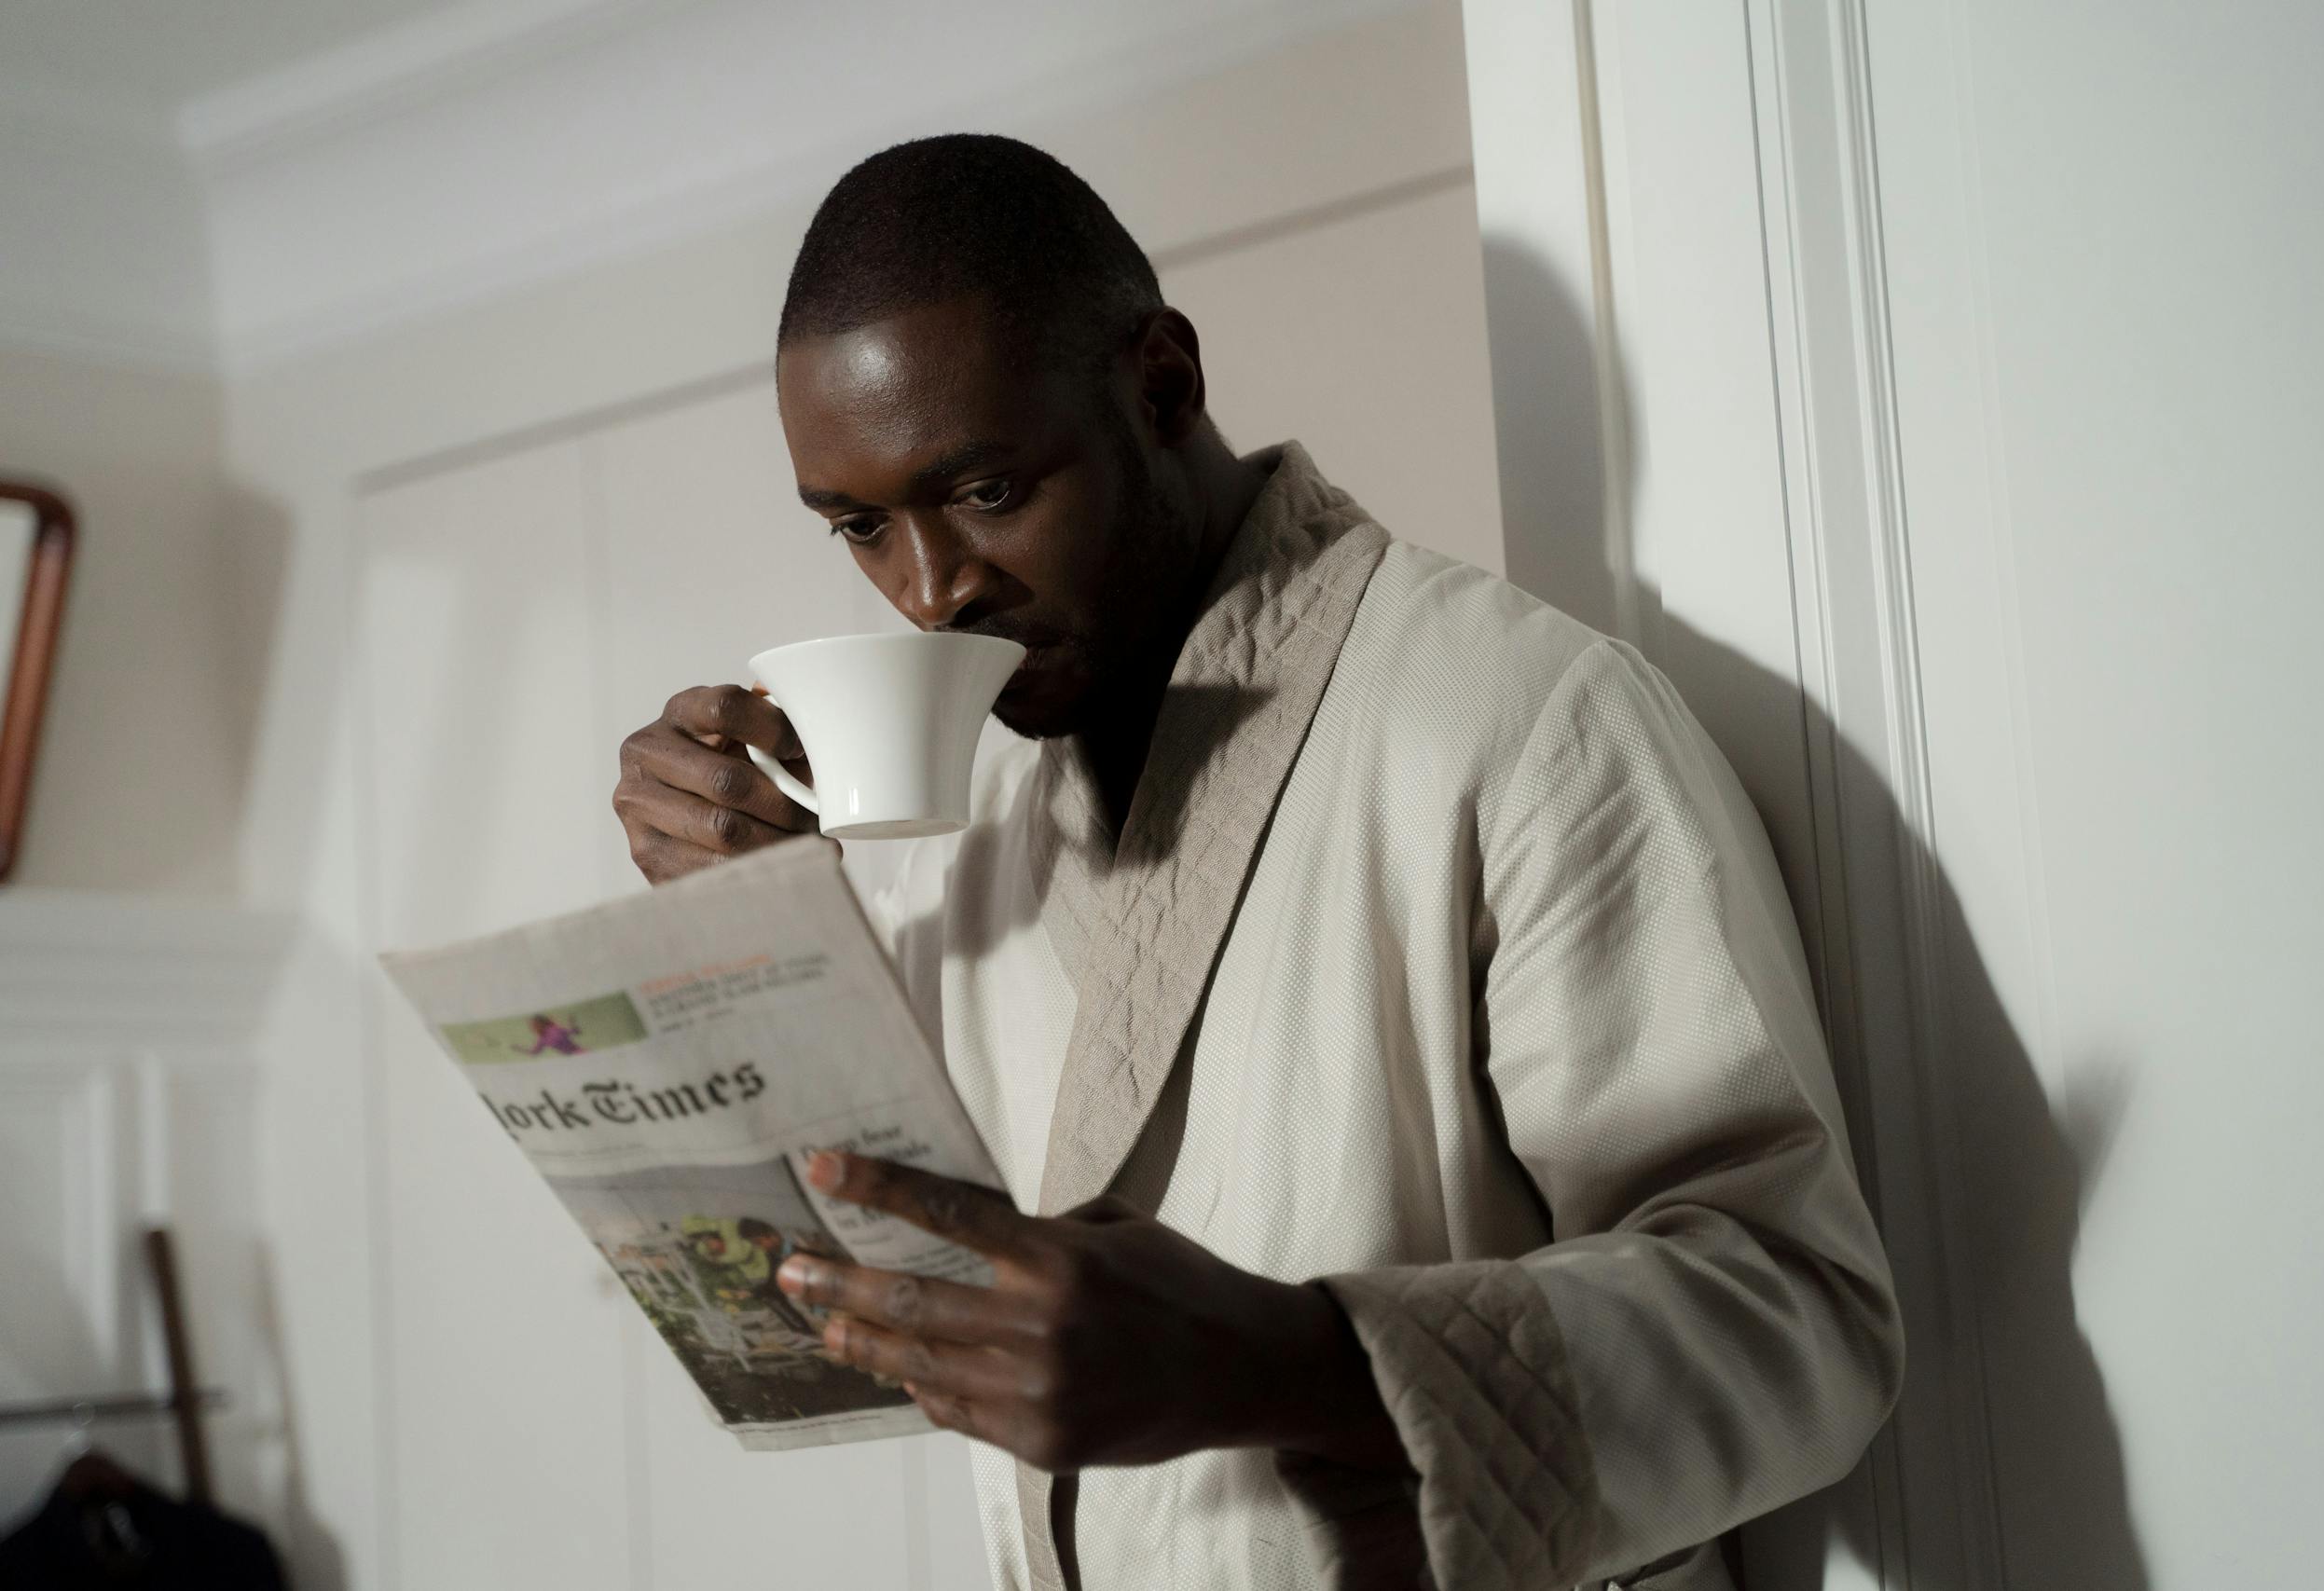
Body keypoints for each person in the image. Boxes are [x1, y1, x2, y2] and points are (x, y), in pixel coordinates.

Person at [611, 134, 1902, 1591]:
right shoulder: (940, 839)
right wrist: (750, 946)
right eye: (859, 526)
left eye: (983, 490)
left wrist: (1293, 1361)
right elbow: (864, 1294)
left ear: (1161, 385)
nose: (930, 592)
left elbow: (1800, 1316)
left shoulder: (1517, 719)